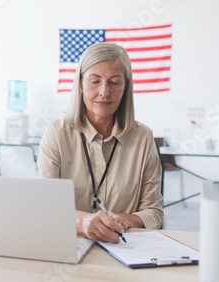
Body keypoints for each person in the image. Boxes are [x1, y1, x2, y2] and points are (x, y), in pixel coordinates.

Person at [37, 42, 163, 243]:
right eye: (95, 81)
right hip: (67, 246)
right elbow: (45, 205)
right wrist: (84, 222)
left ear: (125, 87)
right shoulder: (57, 133)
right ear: (80, 84)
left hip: (122, 245)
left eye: (114, 82)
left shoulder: (143, 137)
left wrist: (122, 220)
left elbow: (154, 212)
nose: (104, 92)